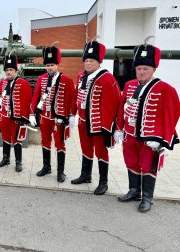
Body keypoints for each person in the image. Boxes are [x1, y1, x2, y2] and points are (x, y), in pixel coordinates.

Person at [114, 44, 179, 213]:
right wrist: (119, 128)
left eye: (145, 68)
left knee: (148, 165)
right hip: (129, 135)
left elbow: (171, 115)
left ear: (153, 69)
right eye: (139, 68)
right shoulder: (128, 85)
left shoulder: (165, 89)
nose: (141, 72)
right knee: (131, 163)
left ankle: (147, 197)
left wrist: (160, 138)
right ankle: (134, 191)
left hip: (149, 139)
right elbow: (122, 108)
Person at [71, 41, 120, 195]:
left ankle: (103, 182)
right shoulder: (80, 76)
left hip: (98, 123)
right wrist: (72, 113)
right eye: (86, 60)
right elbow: (75, 96)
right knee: (85, 149)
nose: (88, 63)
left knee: (101, 151)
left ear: (99, 62)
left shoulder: (107, 78)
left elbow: (114, 103)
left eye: (92, 60)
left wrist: (111, 127)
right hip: (82, 121)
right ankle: (85, 175)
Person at [29, 46, 76, 182]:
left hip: (58, 119)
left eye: (52, 65)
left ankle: (60, 172)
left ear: (57, 65)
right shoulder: (41, 79)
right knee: (45, 141)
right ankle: (46, 167)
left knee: (60, 144)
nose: (50, 67)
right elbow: (35, 97)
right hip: (44, 117)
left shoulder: (66, 79)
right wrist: (32, 114)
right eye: (48, 65)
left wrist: (72, 115)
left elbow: (72, 99)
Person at [0, 54, 32, 172]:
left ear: (15, 70)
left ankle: (18, 162)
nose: (8, 72)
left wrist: (27, 117)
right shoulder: (2, 83)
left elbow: (28, 102)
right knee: (5, 138)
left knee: (17, 140)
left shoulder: (23, 83)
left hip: (16, 118)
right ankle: (6, 158)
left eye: (11, 70)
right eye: (7, 70)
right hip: (4, 117)